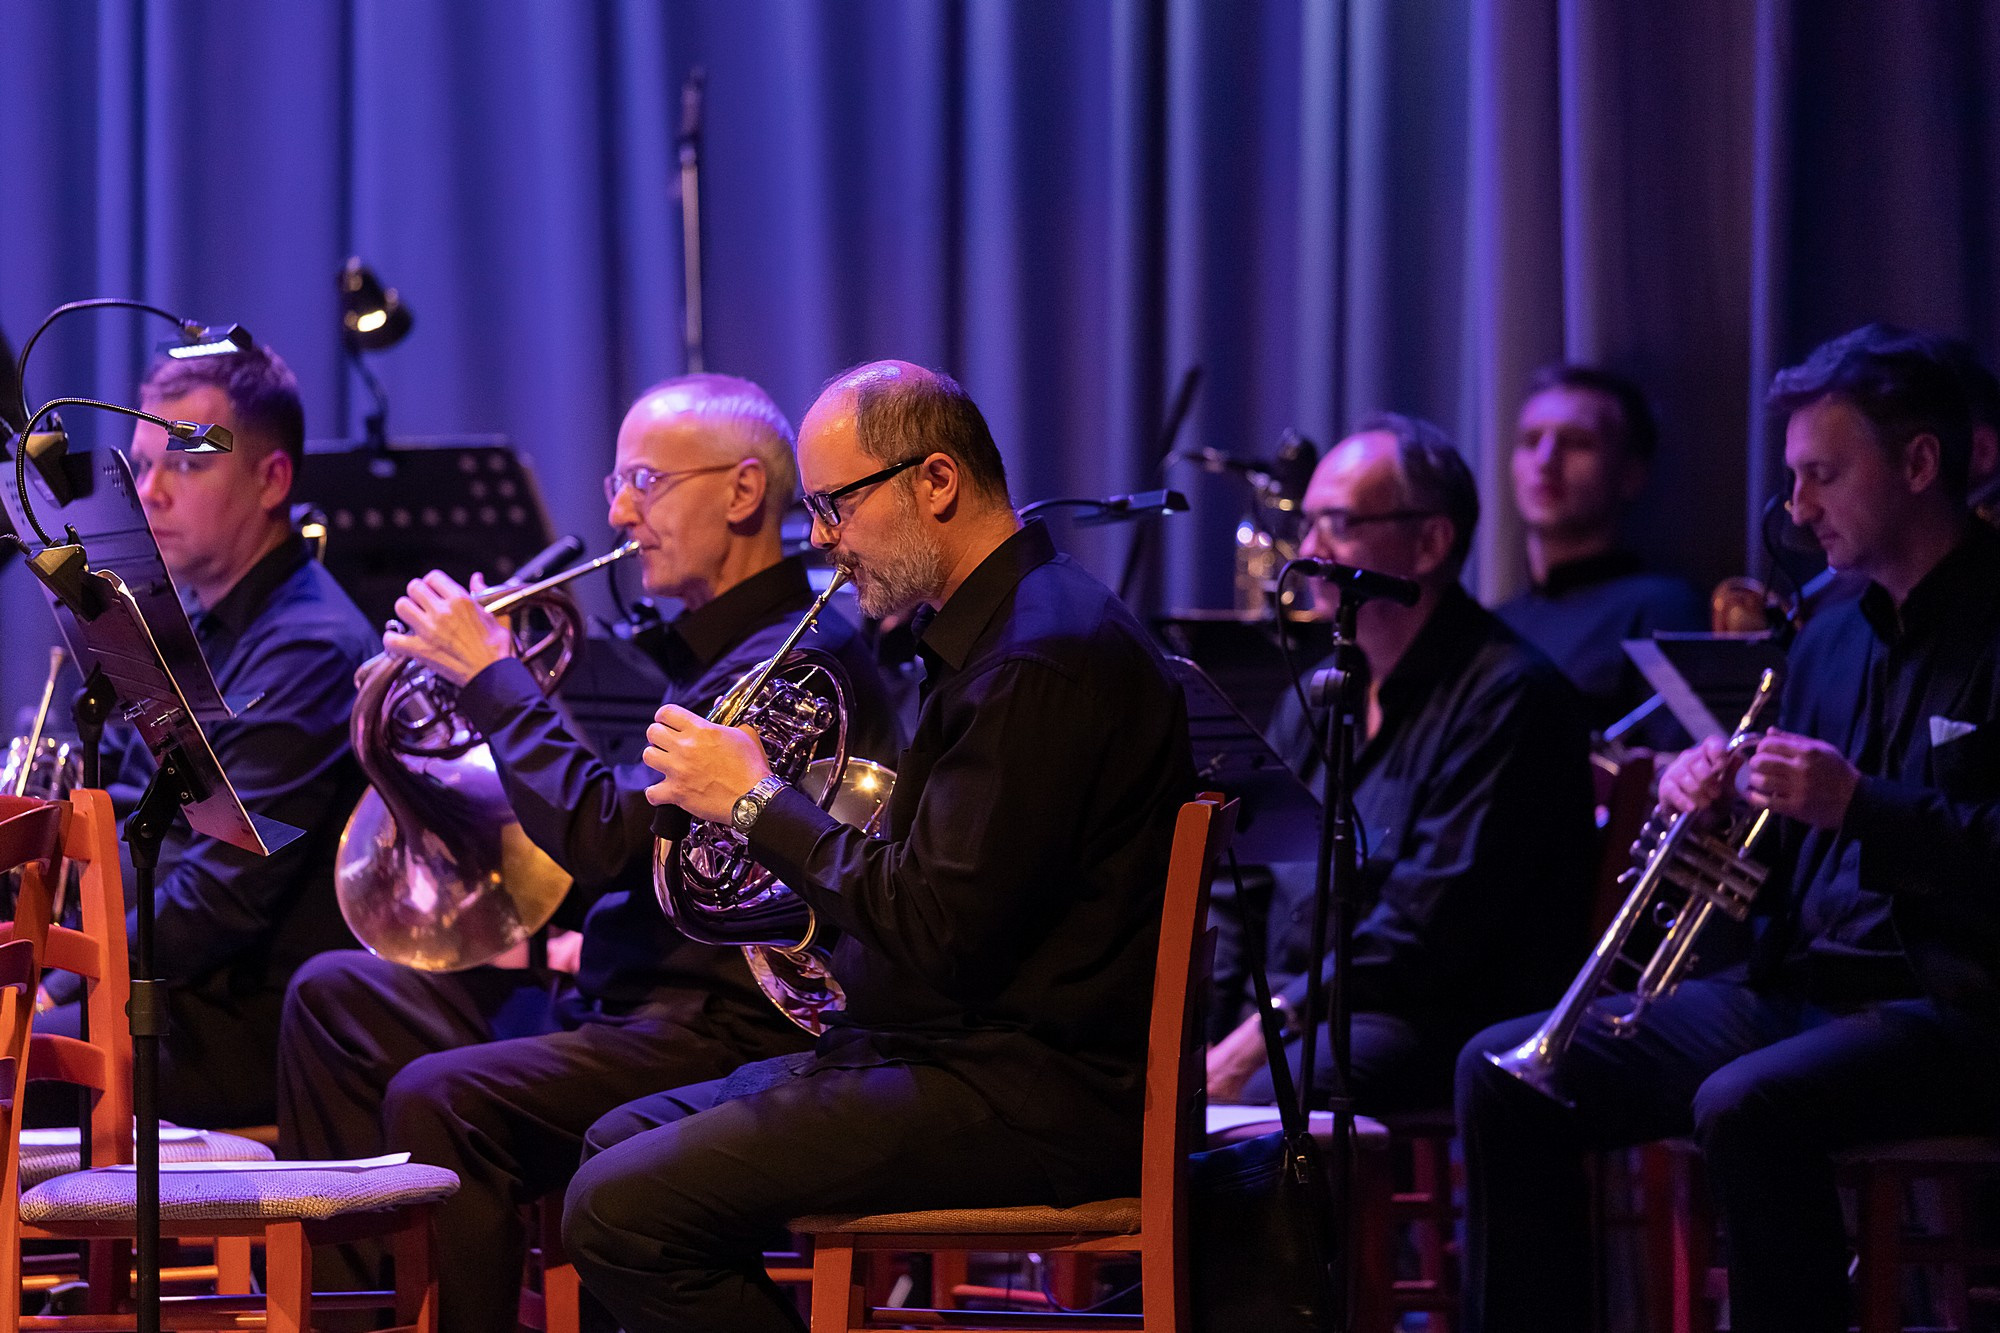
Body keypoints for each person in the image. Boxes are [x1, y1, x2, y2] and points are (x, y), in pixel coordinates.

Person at [560, 360, 1196, 1333]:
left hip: (1030, 1090)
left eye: (835, 505)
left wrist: (757, 802)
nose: (818, 536)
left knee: (620, 1208)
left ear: (933, 482)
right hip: (947, 1054)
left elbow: (939, 925)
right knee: (608, 1144)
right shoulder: (995, 636)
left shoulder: (1040, 657)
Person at [276, 373, 902, 1333]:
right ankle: (380, 1318)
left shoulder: (789, 660)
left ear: (742, 492)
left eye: (644, 481)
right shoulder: (696, 653)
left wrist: (492, 677)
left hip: (722, 1028)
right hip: (623, 1003)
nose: (617, 510)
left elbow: (606, 840)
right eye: (618, 484)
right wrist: (449, 700)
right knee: (337, 994)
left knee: (443, 1096)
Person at [1455, 325, 2000, 1333]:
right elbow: (1783, 841)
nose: (1795, 510)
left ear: (1919, 464)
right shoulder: (1826, 632)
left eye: (1821, 476)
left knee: (1745, 1104)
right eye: (1791, 478)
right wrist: (1716, 792)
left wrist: (1860, 804)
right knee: (1505, 1073)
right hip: (1797, 985)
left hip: (1954, 1002)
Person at [1204, 414, 1596, 1113]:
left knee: (1273, 1094)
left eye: (1341, 524)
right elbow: (1245, 880)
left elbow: (1427, 931)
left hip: (1436, 1013)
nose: (1311, 549)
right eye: (1310, 522)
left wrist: (1267, 1028)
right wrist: (1209, 1025)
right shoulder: (1316, 691)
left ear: (1430, 541)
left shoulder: (1509, 697)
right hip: (1302, 1013)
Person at [36, 347, 378, 1128]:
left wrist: (56, 974)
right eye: (144, 465)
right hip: (167, 990)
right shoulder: (190, 618)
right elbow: (125, 799)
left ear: (273, 481)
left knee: (4, 1057)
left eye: (185, 465)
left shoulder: (309, 647)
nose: (150, 492)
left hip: (240, 1022)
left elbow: (218, 899)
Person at [1495, 365, 1706, 735]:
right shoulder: (1496, 623)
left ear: (1631, 475)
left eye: (1577, 443)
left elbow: (1691, 760)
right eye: (1530, 441)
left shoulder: (1659, 607)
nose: (1545, 461)